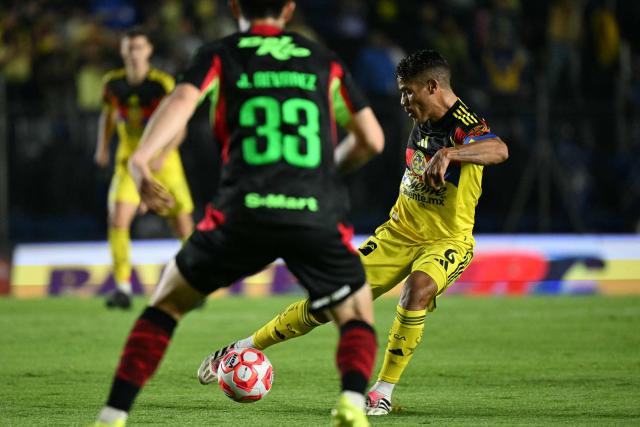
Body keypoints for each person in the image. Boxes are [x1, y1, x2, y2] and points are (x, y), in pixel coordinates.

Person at [91, 1, 385, 426]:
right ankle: (353, 403)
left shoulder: (219, 54)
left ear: (234, 7)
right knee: (355, 314)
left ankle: (113, 414)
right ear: (288, 8)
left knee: (165, 306)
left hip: (242, 212)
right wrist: (323, 172)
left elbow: (180, 104)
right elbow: (372, 140)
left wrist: (141, 160)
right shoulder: (323, 60)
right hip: (312, 211)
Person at [198, 49, 509, 416]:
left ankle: (382, 391)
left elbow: (499, 149)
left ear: (432, 86)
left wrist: (452, 155)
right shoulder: (424, 115)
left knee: (417, 290)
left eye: (409, 92)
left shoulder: (464, 123)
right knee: (329, 300)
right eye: (401, 93)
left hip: (446, 240)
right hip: (398, 233)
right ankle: (243, 346)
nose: (404, 101)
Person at [95, 28, 194, 309]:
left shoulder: (161, 83)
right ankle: (123, 288)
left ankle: (193, 283)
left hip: (165, 161)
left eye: (138, 47)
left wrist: (162, 153)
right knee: (118, 218)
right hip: (129, 160)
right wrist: (102, 147)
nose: (134, 53)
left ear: (149, 50)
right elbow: (108, 115)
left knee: (182, 224)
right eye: (129, 48)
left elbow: (179, 125)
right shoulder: (112, 83)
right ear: (122, 52)